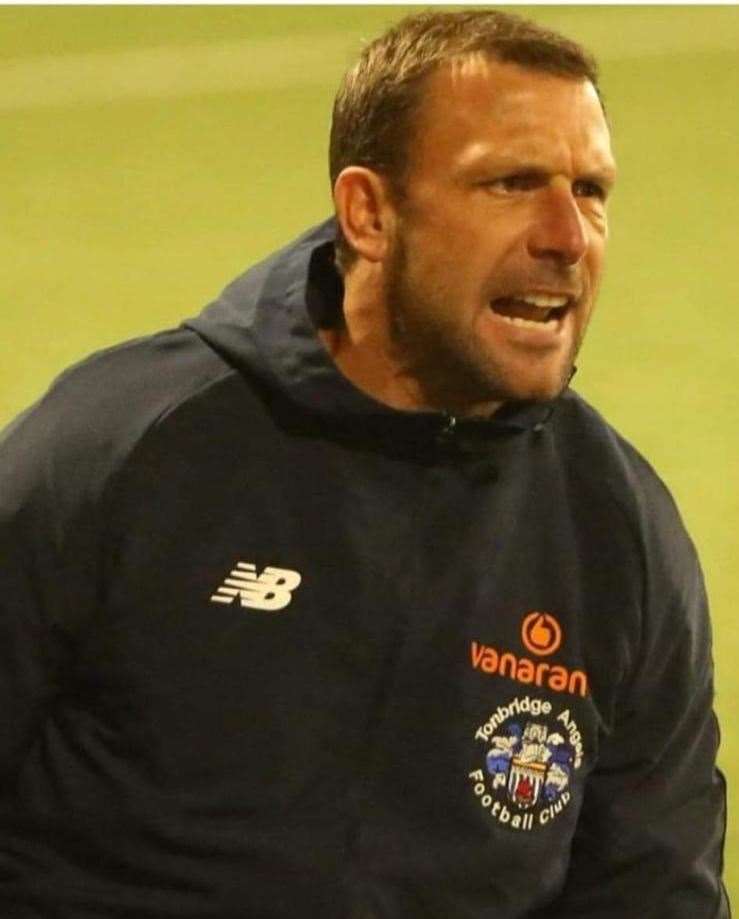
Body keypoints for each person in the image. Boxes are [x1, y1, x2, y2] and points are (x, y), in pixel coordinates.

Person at [0, 9, 729, 918]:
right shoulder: (124, 448)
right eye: (510, 183)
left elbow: (651, 890)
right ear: (369, 213)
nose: (566, 236)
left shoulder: (617, 531)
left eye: (589, 191)